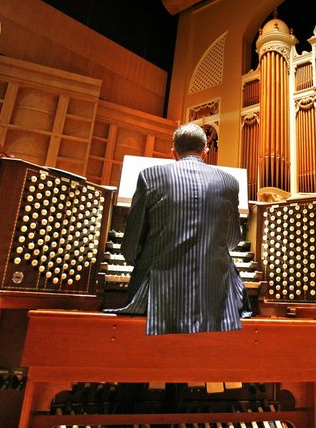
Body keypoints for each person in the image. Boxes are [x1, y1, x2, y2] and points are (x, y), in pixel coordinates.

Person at [104, 123, 247, 335]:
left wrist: (153, 261)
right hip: (214, 295)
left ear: (173, 152)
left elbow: (130, 246)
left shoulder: (149, 177)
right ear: (205, 152)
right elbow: (232, 240)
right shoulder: (229, 182)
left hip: (156, 296)